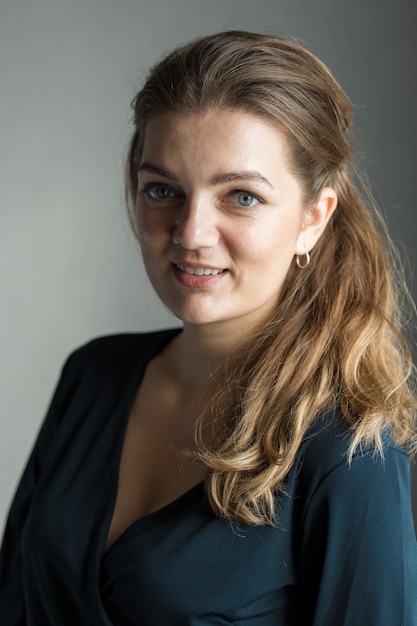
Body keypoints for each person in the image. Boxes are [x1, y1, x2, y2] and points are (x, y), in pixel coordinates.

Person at [0, 30, 416, 626]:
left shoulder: (346, 451)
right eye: (162, 190)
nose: (191, 232)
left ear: (312, 219)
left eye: (241, 197)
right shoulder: (92, 376)